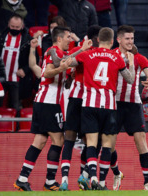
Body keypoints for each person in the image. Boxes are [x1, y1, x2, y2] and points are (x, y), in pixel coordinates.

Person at [64, 27, 135, 190]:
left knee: (91, 143)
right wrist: (129, 63)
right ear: (112, 41)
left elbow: (67, 61)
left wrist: (80, 50)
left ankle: (93, 177)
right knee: (107, 144)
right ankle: (102, 182)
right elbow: (130, 80)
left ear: (97, 40)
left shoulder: (87, 54)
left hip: (89, 103)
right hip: (109, 105)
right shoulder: (117, 58)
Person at [13, 26, 74, 191]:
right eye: (68, 37)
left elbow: (62, 81)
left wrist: (70, 76)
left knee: (39, 141)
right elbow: (47, 73)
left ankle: (22, 179)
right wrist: (62, 68)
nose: (70, 40)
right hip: (49, 103)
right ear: (59, 38)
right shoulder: (53, 51)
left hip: (44, 102)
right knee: (58, 140)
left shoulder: (60, 54)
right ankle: (49, 181)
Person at [111, 25, 148, 190]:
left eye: (132, 39)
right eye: (127, 39)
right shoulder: (111, 56)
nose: (130, 42)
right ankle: (116, 173)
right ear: (119, 39)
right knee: (109, 145)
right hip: (114, 104)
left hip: (133, 104)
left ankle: (147, 183)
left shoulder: (138, 57)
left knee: (141, 141)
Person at [59, 25, 101, 191]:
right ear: (95, 39)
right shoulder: (81, 51)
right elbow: (65, 62)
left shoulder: (95, 53)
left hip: (85, 100)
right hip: (82, 99)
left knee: (88, 141)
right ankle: (68, 180)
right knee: (73, 139)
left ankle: (82, 177)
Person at [0, 14, 32, 111]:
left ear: (22, 26)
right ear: (8, 25)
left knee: (16, 106)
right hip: (1, 77)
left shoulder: (27, 40)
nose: (14, 29)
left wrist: (25, 69)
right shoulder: (0, 37)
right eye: (12, 26)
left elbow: (34, 59)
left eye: (17, 27)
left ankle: (17, 126)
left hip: (16, 78)